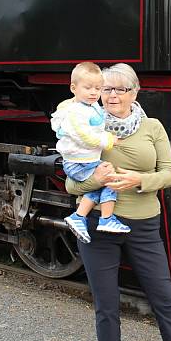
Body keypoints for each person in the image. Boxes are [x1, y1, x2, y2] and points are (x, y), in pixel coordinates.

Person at [64, 63, 171, 341]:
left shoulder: (152, 127)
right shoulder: (86, 126)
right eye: (107, 89)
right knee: (106, 304)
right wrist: (97, 180)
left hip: (143, 227)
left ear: (135, 92)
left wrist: (139, 180)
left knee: (164, 300)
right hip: (99, 227)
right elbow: (72, 182)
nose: (113, 95)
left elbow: (168, 174)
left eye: (121, 89)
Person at [51, 61, 131, 244]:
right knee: (110, 179)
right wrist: (108, 140)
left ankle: (79, 217)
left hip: (85, 159)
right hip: (78, 162)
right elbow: (84, 136)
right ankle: (106, 219)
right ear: (73, 88)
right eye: (88, 88)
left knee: (99, 185)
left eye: (98, 88)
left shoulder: (88, 106)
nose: (94, 92)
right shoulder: (76, 112)